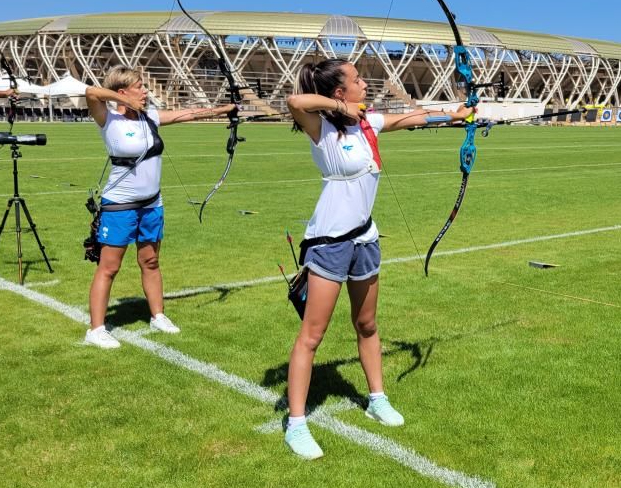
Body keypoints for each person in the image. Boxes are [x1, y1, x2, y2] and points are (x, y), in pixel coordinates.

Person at [283, 58, 473, 459]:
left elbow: (413, 119)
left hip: (365, 237)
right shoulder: (323, 129)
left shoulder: (367, 124)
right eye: (356, 80)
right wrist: (340, 111)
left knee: (367, 324)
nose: (364, 84)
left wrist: (455, 115)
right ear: (339, 92)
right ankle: (296, 423)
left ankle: (377, 398)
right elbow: (294, 100)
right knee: (312, 335)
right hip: (329, 241)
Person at [83, 66, 236, 349]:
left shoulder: (150, 117)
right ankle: (96, 329)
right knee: (109, 267)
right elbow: (91, 92)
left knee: (151, 261)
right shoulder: (108, 119)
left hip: (152, 204)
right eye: (139, 87)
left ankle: (158, 315)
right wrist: (126, 104)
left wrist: (226, 108)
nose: (145, 92)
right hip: (120, 205)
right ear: (122, 93)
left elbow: (187, 114)